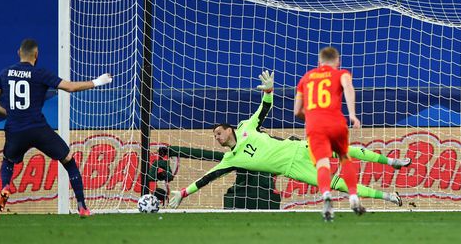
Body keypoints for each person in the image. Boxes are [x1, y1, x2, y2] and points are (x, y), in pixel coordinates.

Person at [168, 71, 410, 210]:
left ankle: (392, 161)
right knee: (337, 184)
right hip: (293, 168)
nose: (217, 137)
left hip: (299, 147)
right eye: (215, 136)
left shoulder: (246, 127)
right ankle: (388, 196)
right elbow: (206, 178)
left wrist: (269, 90)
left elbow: (264, 108)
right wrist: (182, 192)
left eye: (218, 132)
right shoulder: (230, 159)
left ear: (229, 129)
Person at [0, 38, 112, 217]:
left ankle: (6, 185)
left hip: (15, 129)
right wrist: (97, 82)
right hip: (38, 129)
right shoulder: (40, 73)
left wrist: (7, 112)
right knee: (68, 160)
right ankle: (82, 206)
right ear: (36, 55)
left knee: (8, 160)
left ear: (18, 53)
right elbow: (70, 87)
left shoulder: (4, 73)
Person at [294, 46, 361, 221]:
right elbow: (348, 86)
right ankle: (353, 196)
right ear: (337, 62)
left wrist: (310, 119)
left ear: (319, 62)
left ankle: (326, 196)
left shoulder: (305, 78)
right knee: (344, 157)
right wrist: (352, 114)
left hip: (315, 126)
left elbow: (296, 111)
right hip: (336, 123)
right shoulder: (341, 74)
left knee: (322, 163)